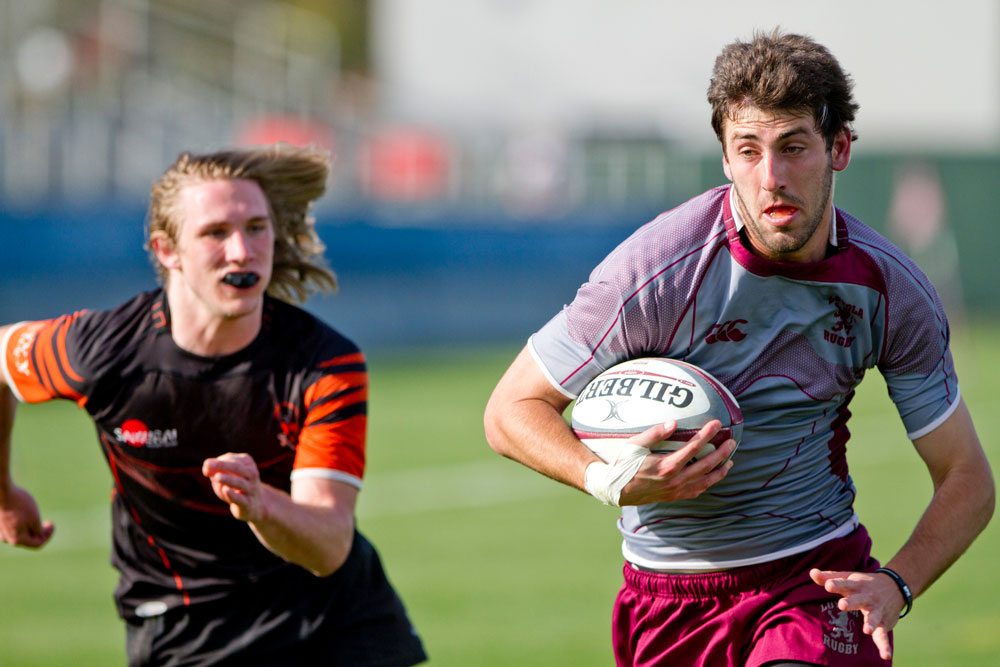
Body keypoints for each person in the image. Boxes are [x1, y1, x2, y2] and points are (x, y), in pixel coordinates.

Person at [483, 30, 993, 667]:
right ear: (725, 158)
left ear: (840, 148)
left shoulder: (890, 291)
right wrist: (607, 476)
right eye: (747, 151)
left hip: (813, 583)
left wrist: (898, 582)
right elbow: (510, 410)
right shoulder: (653, 273)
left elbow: (967, 478)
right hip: (665, 598)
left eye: (793, 147)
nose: (770, 177)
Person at [0, 146, 427, 666]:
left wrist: (260, 505)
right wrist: (4, 491)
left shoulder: (324, 365)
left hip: (334, 619)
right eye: (216, 233)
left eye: (256, 227)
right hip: (184, 627)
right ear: (167, 250)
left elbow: (329, 544)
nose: (243, 251)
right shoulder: (99, 351)